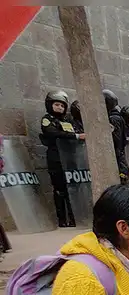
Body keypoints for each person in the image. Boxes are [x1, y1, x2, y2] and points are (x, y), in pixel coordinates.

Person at [39, 90, 83, 227]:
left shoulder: (67, 121)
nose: (59, 108)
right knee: (59, 189)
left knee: (73, 189)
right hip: (56, 158)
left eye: (62, 105)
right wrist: (76, 136)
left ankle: (74, 217)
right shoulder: (47, 119)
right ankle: (62, 219)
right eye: (57, 104)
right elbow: (52, 133)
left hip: (69, 158)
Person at [103, 89, 129, 183]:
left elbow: (115, 138)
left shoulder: (113, 119)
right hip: (119, 155)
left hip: (116, 156)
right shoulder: (117, 117)